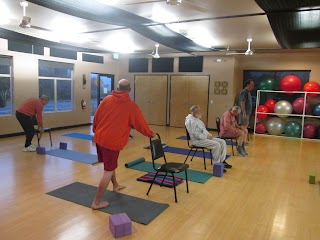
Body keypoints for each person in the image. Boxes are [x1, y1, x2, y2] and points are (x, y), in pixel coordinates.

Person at [91, 79, 155, 210]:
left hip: (100, 138)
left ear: (117, 88)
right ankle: (96, 202)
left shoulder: (107, 99)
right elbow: (140, 124)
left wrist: (95, 130)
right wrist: (150, 134)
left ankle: (115, 185)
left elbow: (96, 117)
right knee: (108, 170)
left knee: (110, 164)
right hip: (111, 142)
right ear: (130, 90)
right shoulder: (131, 106)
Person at [185, 105, 231, 170]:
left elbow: (204, 130)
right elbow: (195, 134)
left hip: (204, 138)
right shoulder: (190, 121)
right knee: (216, 145)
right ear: (195, 112)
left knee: (222, 141)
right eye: (199, 111)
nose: (200, 112)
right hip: (197, 141)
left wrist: (209, 135)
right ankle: (217, 165)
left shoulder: (197, 120)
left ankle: (222, 161)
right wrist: (205, 137)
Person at [237, 79, 255, 148]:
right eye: (252, 84)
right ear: (248, 85)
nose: (253, 85)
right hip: (244, 113)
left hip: (247, 113)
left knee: (245, 129)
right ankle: (240, 144)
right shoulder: (244, 92)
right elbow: (242, 102)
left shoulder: (248, 92)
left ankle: (243, 142)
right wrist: (244, 112)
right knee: (243, 128)